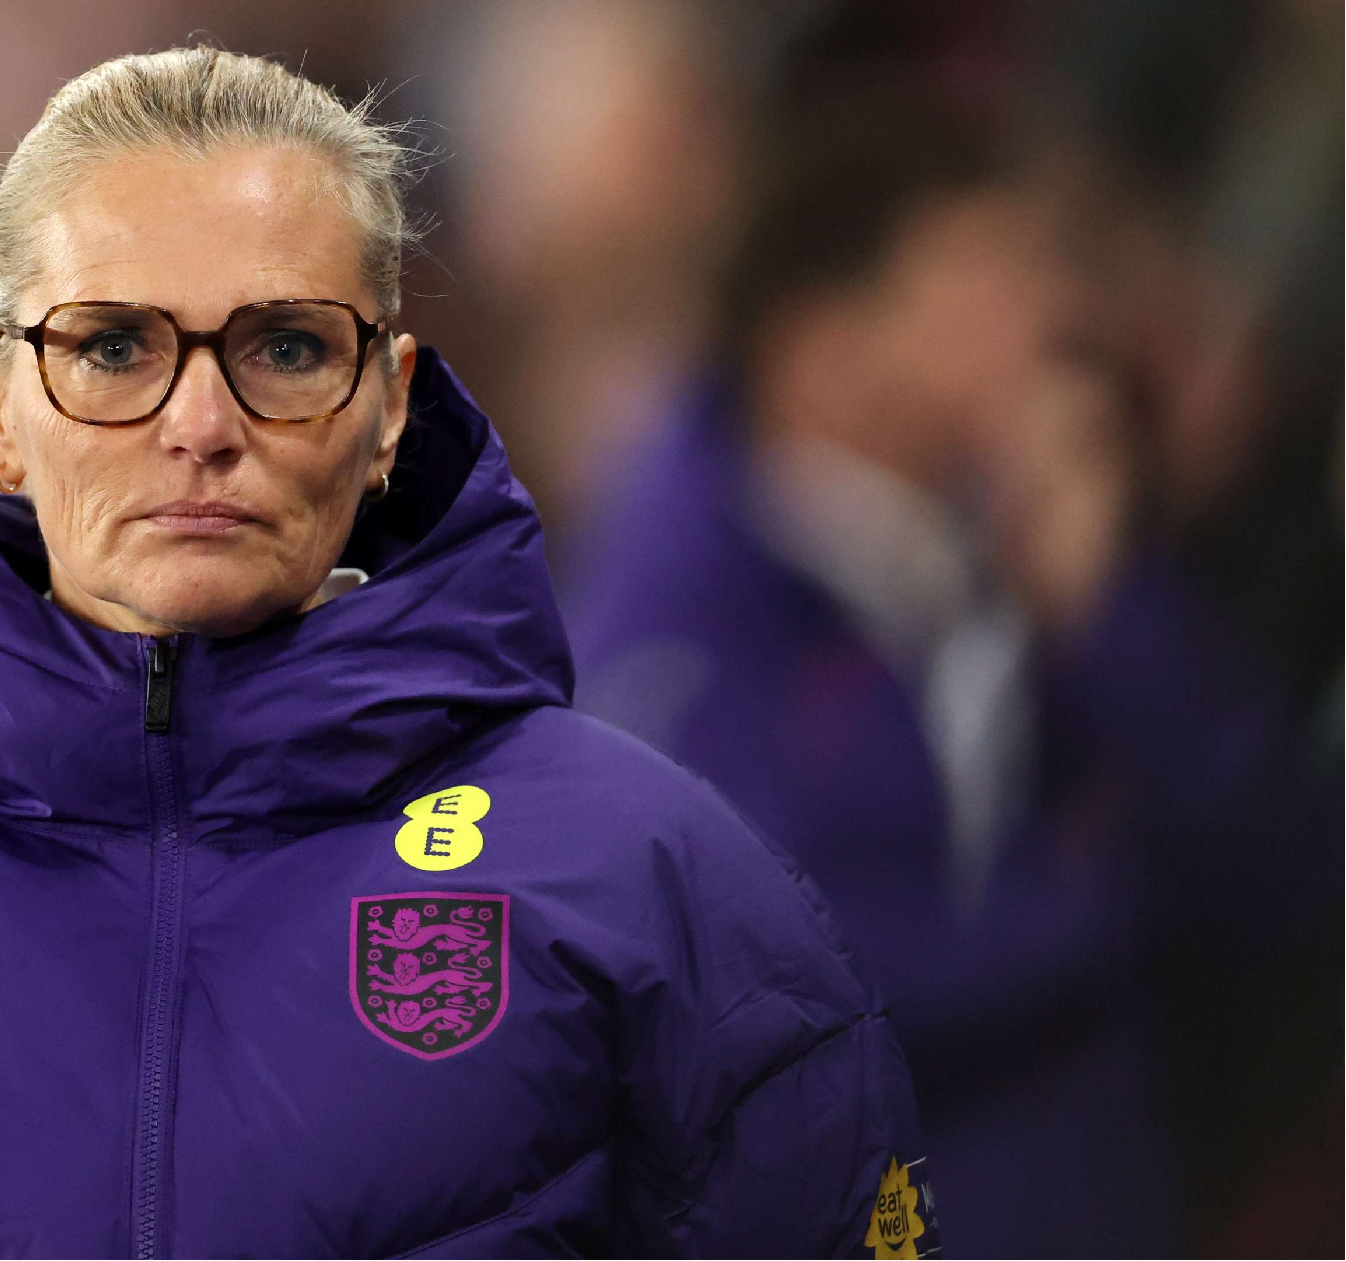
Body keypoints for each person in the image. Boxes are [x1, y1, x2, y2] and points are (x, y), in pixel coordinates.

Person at [0, 48, 930, 1259]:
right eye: (111, 348)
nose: (196, 422)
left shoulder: (650, 874)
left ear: (390, 400)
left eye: (281, 346)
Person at [560, 91, 1316, 1257]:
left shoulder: (1036, 549)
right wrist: (1089, 900)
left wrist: (1111, 609)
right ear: (827, 348)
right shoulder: (673, 633)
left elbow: (1274, 866)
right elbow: (769, 991)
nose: (1050, 318)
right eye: (981, 286)